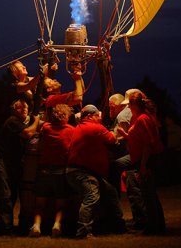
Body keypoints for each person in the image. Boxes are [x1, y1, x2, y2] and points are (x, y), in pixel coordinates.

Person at [66, 104, 126, 239]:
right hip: (82, 171)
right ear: (89, 116)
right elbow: (112, 140)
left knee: (110, 191)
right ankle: (83, 231)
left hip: (80, 170)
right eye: (97, 115)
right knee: (92, 196)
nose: (99, 118)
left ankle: (117, 225)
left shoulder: (80, 127)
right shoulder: (95, 127)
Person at [115, 92, 166, 235]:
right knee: (148, 194)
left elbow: (148, 144)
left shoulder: (143, 118)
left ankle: (154, 227)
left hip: (147, 160)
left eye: (130, 105)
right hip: (142, 160)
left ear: (135, 105)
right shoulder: (140, 118)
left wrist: (143, 166)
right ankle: (157, 225)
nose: (128, 107)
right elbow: (137, 138)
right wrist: (125, 135)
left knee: (148, 194)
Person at [0, 99, 40, 235]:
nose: (24, 110)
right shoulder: (12, 121)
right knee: (5, 194)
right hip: (0, 159)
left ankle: (3, 224)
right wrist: (37, 120)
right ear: (14, 110)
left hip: (11, 161)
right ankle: (5, 227)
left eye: (26, 108)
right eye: (20, 108)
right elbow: (28, 133)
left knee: (12, 193)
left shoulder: (20, 123)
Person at [29, 104, 74, 238]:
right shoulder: (71, 130)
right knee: (60, 202)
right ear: (66, 116)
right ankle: (57, 225)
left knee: (39, 203)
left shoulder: (46, 128)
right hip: (60, 170)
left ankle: (36, 226)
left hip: (43, 170)